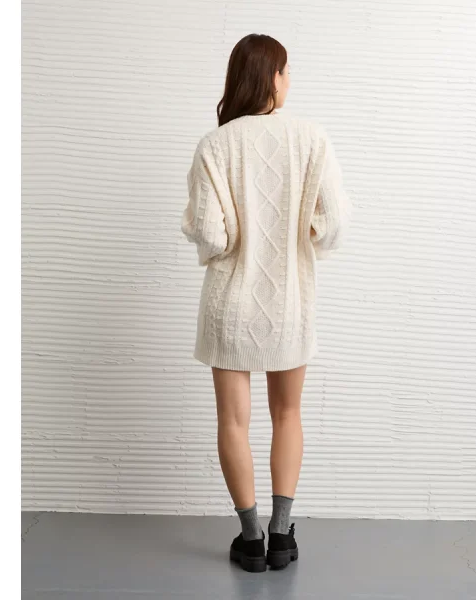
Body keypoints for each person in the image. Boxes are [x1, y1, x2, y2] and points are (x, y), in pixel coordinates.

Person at [181, 33, 349, 572]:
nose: (289, 80)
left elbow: (211, 234)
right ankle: (281, 535)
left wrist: (227, 239)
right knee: (288, 413)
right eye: (286, 70)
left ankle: (250, 539)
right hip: (289, 303)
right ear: (272, 77)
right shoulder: (311, 138)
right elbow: (334, 223)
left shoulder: (215, 145)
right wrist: (301, 235)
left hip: (229, 306)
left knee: (233, 420)